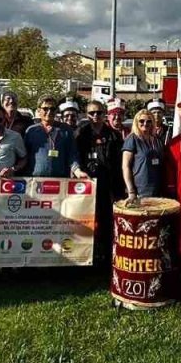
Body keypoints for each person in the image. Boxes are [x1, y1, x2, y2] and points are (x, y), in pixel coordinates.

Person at [75, 99, 124, 266]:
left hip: (108, 185)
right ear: (86, 115)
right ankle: (88, 257)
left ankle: (106, 258)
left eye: (99, 113)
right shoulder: (80, 134)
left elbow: (119, 165)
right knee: (86, 222)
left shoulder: (114, 136)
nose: (95, 116)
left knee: (107, 222)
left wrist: (120, 190)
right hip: (86, 186)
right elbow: (75, 160)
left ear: (105, 114)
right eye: (92, 113)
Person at [24, 96, 87, 179]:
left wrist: (77, 171)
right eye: (45, 109)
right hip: (35, 180)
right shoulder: (31, 131)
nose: (49, 112)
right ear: (39, 110)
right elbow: (24, 156)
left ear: (56, 111)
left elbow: (72, 155)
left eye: (52, 109)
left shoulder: (66, 130)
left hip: (60, 180)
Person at [121, 110, 165, 200]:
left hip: (158, 189)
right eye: (142, 121)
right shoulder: (132, 139)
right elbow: (125, 166)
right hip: (140, 191)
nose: (145, 123)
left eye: (149, 121)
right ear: (136, 122)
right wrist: (131, 191)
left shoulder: (157, 140)